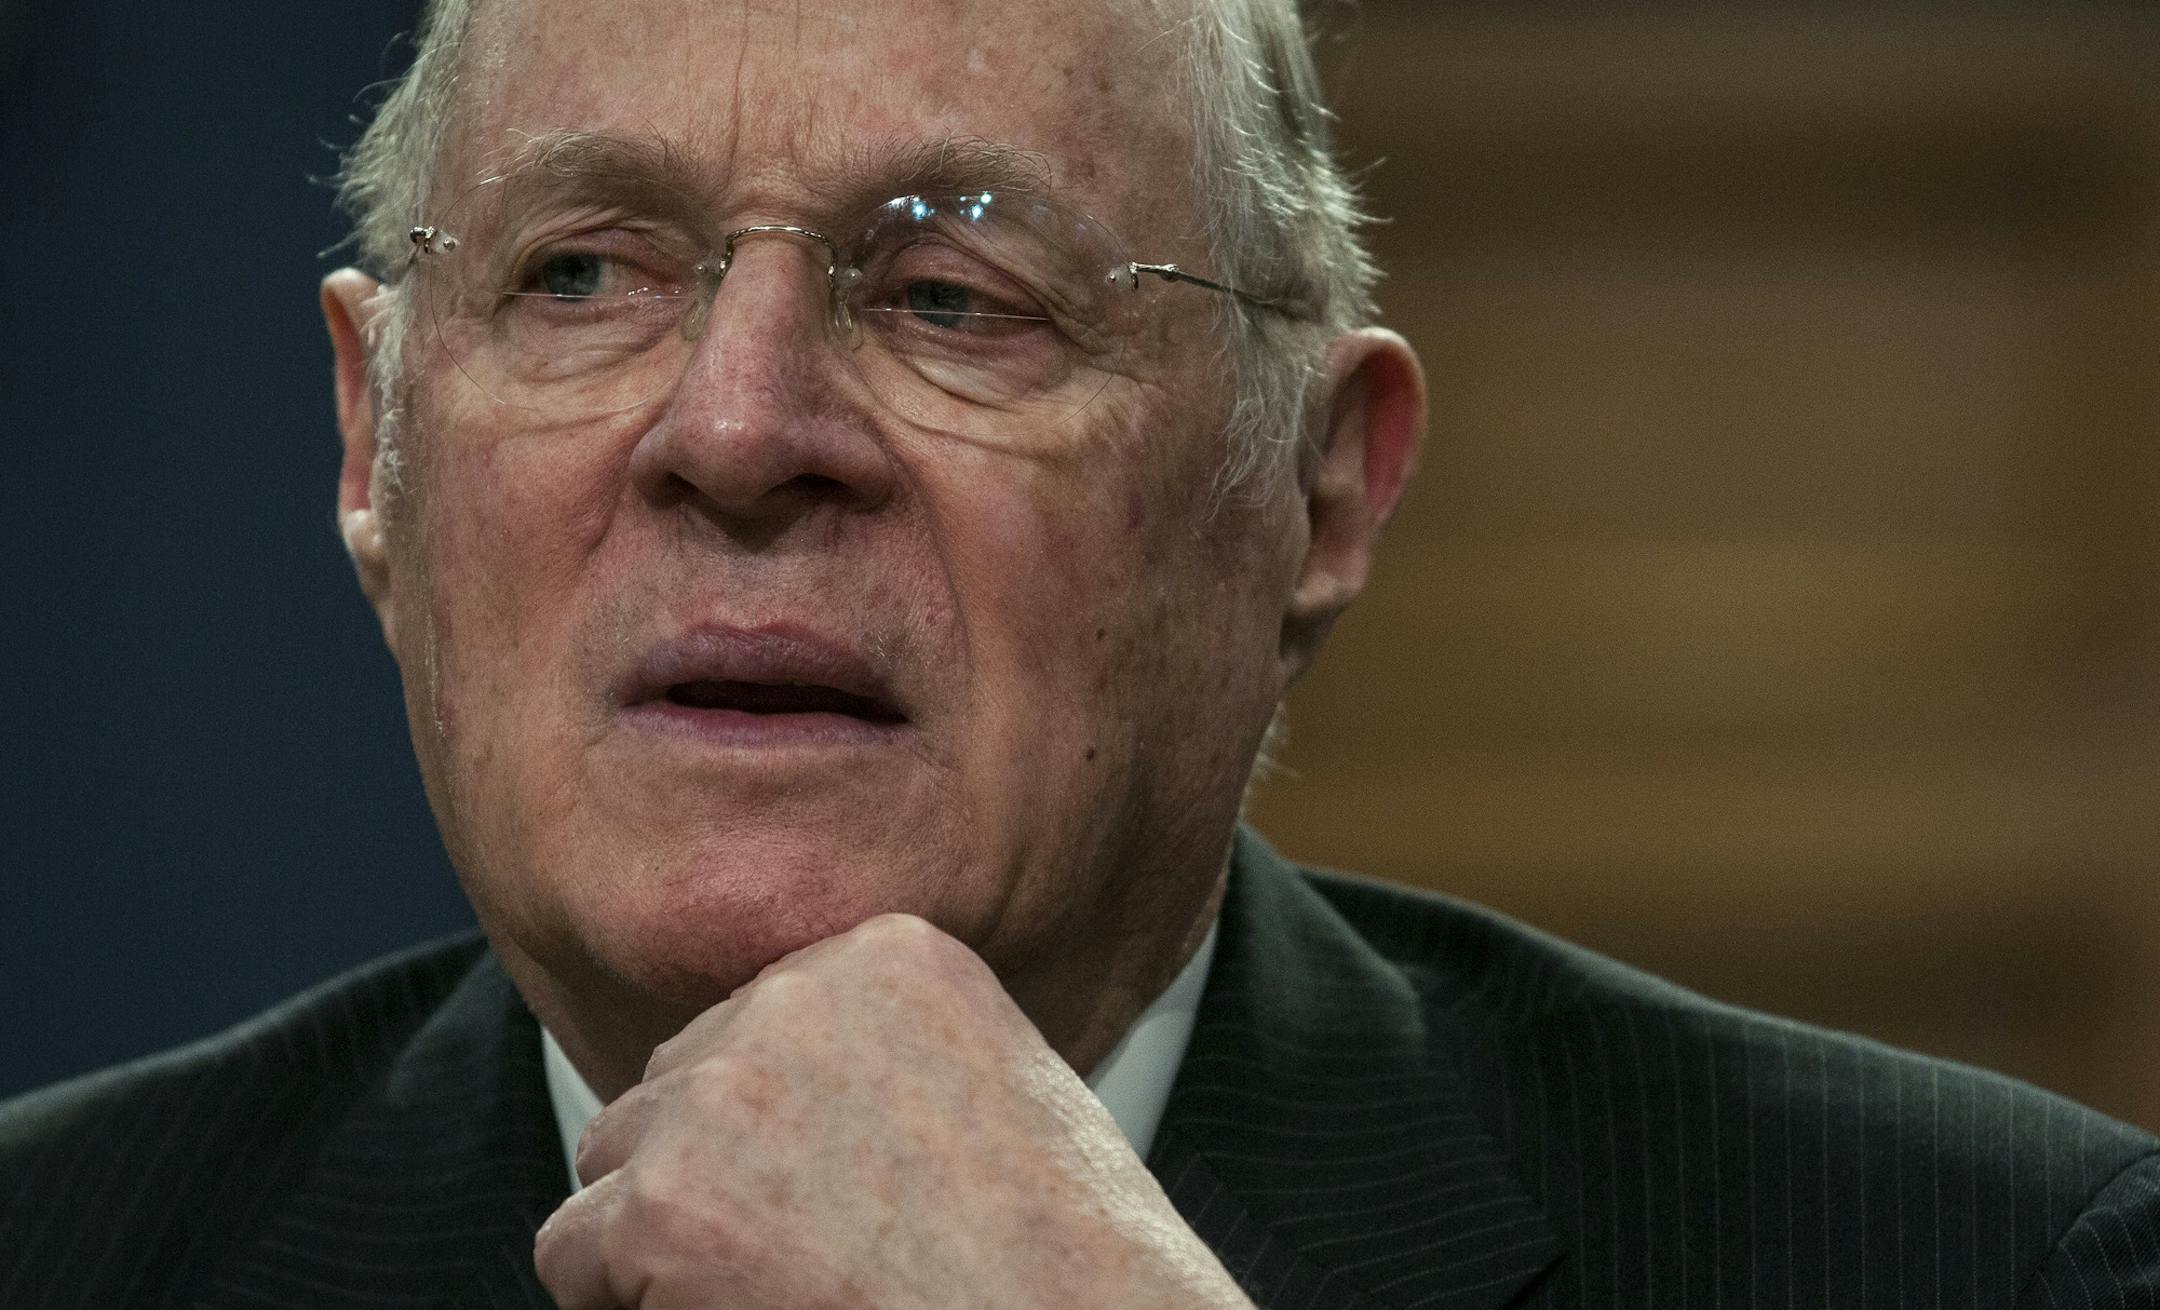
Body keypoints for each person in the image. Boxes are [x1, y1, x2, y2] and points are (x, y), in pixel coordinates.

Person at [3, 0, 2156, 1305]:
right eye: (583, 273)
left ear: (1319, 491)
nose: (738, 432)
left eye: (953, 294)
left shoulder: (1984, 1264)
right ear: (376, 440)